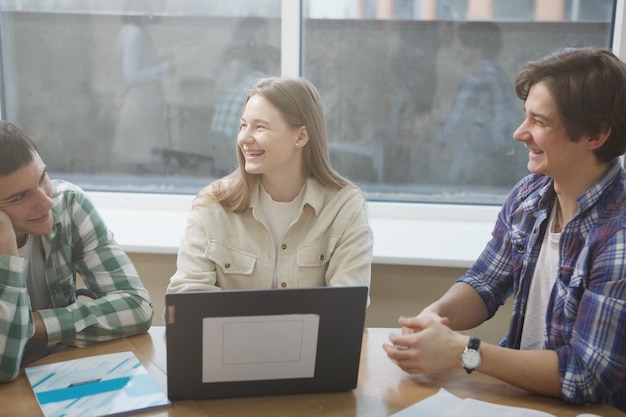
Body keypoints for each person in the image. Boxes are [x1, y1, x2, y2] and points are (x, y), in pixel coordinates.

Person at [383, 47, 626, 411]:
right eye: (524, 116)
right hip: (516, 400)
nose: (519, 133)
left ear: (595, 135)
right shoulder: (530, 195)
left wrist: (462, 352)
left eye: (539, 122)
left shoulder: (618, 235)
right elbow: (485, 283)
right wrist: (433, 318)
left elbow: (583, 374)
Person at [167, 77, 373, 294]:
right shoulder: (213, 204)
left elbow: (347, 305)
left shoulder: (345, 207)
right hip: (232, 330)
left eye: (260, 127)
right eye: (243, 126)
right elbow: (187, 297)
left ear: (301, 136)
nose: (244, 138)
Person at [0, 120, 153, 381]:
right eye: (19, 197)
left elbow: (137, 307)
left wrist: (34, 324)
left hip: (57, 367)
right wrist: (6, 244)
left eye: (42, 178)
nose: (46, 201)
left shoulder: (68, 204)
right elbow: (4, 366)